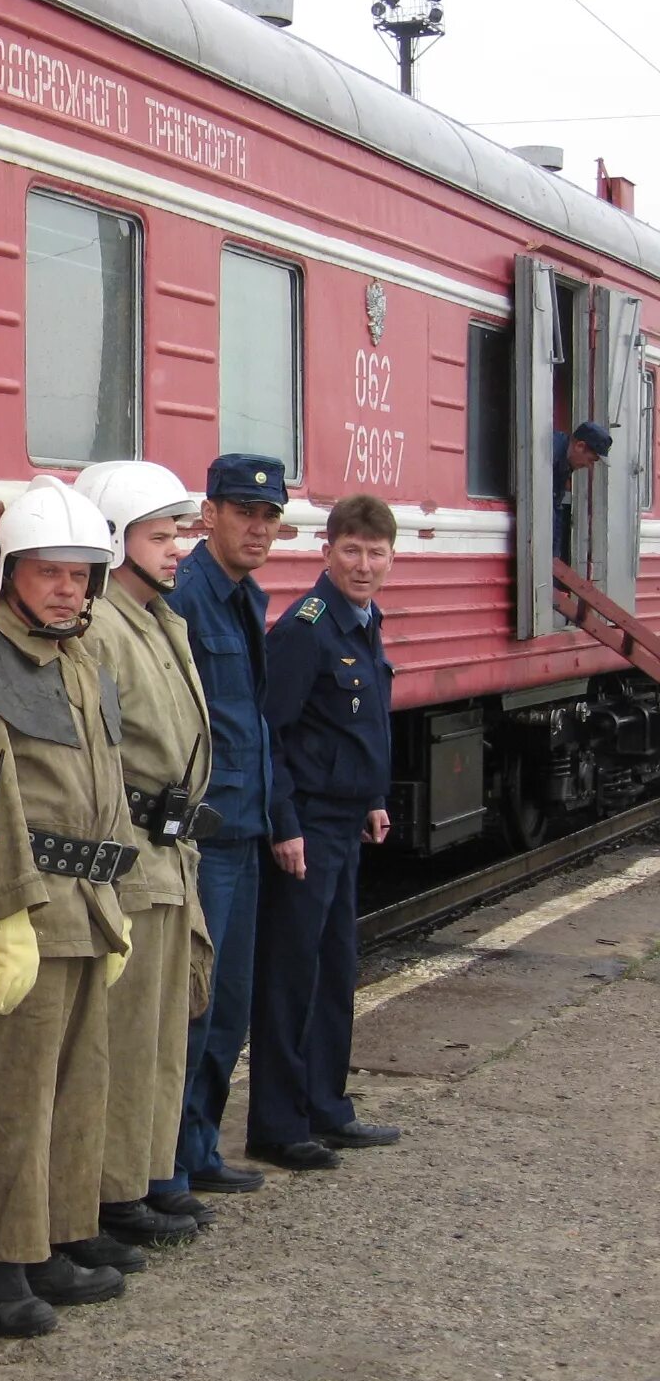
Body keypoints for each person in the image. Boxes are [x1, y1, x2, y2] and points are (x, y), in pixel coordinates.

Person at [0, 475, 136, 1338]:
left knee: (75, 1086)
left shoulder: (82, 658)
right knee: (6, 1095)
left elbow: (110, 781)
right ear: (9, 571)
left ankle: (52, 1236)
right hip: (29, 905)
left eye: (81, 574)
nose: (67, 589)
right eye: (50, 572)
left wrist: (116, 896)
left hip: (87, 900)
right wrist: (8, 914)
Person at [75, 462, 217, 1257]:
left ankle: (143, 1176)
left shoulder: (159, 619)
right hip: (132, 850)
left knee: (162, 1032)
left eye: (177, 535)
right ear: (114, 540)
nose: (177, 552)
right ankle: (110, 1190)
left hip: (170, 850)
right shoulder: (102, 626)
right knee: (124, 1041)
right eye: (160, 537)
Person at [248, 495, 402, 1170]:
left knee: (336, 971)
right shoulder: (307, 629)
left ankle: (327, 1107)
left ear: (391, 558)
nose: (363, 565)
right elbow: (271, 734)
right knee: (292, 975)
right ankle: (279, 1125)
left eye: (375, 553)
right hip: (307, 827)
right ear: (327, 552)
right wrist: (284, 824)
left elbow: (355, 727)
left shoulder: (362, 623)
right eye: (351, 551)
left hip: (344, 822)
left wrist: (371, 798)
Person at [152, 453, 288, 1210]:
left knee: (228, 1005)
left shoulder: (245, 595)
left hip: (244, 826)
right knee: (192, 1006)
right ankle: (165, 1163)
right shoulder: (190, 597)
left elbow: (253, 724)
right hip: (204, 833)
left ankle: (199, 1144)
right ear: (209, 516)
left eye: (268, 516)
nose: (258, 527)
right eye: (244, 512)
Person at [552, 420, 613, 563]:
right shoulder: (550, 456)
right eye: (591, 460)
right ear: (580, 446)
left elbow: (555, 508)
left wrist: (553, 555)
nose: (589, 466)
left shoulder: (564, 461)